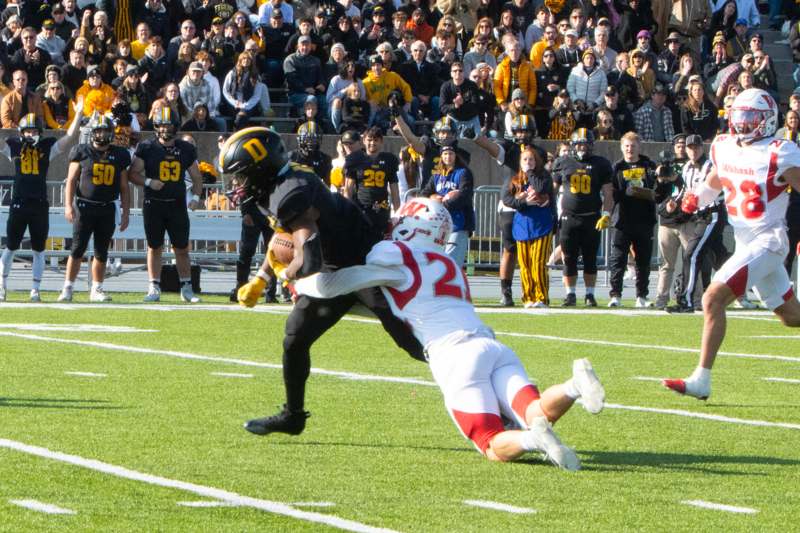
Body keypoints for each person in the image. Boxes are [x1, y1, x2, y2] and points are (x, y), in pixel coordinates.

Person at [293, 197, 606, 468]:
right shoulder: (449, 264)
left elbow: (332, 285)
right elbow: (399, 302)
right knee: (534, 410)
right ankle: (573, 386)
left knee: (490, 441)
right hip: (492, 345)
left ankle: (531, 440)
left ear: (410, 225)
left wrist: (293, 279)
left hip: (454, 356)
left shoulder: (393, 255)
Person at [220, 127, 425, 435]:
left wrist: (284, 275)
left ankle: (491, 400)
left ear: (260, 170)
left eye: (240, 176)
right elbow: (284, 236)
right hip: (335, 267)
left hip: (364, 264)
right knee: (295, 338)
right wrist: (261, 278)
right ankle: (293, 415)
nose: (236, 184)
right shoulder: (277, 185)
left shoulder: (289, 191)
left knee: (414, 342)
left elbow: (308, 257)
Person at [662, 91, 800, 400]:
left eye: (749, 117)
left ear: (766, 120)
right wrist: (696, 198)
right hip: (745, 243)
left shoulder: (780, 151)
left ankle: (702, 379)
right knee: (791, 316)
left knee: (712, 298)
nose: (742, 123)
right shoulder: (724, 146)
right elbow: (715, 182)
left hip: (768, 240)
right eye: (739, 116)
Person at [0, 104, 83, 302]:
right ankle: (2, 286)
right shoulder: (14, 146)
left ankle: (35, 289)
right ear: (21, 132)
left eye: (35, 130)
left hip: (39, 203)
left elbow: (69, 138)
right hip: (19, 202)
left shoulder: (46, 147)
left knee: (39, 249)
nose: (31, 133)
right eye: (28, 130)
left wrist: (78, 114)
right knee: (10, 246)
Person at [127, 107, 203, 303]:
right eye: (161, 125)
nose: (164, 129)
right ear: (156, 126)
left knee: (182, 248)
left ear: (175, 126)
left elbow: (197, 177)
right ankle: (154, 286)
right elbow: (133, 174)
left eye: (168, 125)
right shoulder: (147, 147)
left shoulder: (185, 148)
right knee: (154, 247)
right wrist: (148, 182)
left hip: (177, 204)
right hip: (154, 204)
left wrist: (195, 198)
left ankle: (186, 288)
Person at [56, 115, 131, 303]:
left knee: (101, 251)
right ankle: (68, 287)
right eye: (99, 130)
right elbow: (71, 180)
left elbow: (124, 186)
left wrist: (126, 212)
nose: (102, 134)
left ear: (111, 133)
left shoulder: (119, 155)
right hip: (84, 207)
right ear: (92, 133)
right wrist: (68, 205)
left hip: (107, 208)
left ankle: (97, 289)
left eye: (105, 131)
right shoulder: (82, 151)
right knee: (77, 249)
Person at [551, 129, 614, 307]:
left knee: (590, 258)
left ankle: (590, 294)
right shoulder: (563, 162)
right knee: (569, 257)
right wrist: (550, 212)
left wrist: (606, 214)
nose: (582, 147)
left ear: (592, 146)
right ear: (573, 145)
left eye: (586, 144)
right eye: (579, 143)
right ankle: (570, 294)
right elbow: (553, 190)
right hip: (568, 217)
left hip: (591, 217)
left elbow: (608, 192)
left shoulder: (601, 164)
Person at [666, 135, 725, 313]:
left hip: (712, 214)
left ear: (702, 148)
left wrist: (695, 200)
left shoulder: (710, 167)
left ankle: (686, 300)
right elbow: (685, 190)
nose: (693, 151)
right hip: (699, 216)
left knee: (691, 254)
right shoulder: (686, 168)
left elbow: (716, 191)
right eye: (690, 148)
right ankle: (750, 281)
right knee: (719, 257)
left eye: (696, 147)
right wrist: (675, 202)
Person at [608, 132, 663, 308]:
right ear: (621, 147)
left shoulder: (648, 164)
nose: (630, 149)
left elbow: (658, 189)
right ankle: (615, 295)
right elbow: (612, 193)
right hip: (622, 220)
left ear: (639, 146)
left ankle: (641, 296)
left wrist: (647, 190)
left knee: (643, 261)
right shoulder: (617, 167)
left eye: (633, 145)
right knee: (618, 259)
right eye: (627, 146)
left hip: (644, 219)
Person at [502, 147, 555, 308]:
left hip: (541, 224)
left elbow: (540, 189)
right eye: (525, 160)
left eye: (531, 159)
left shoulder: (543, 176)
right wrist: (523, 202)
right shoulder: (515, 178)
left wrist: (530, 174)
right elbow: (506, 199)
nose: (528, 162)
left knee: (538, 262)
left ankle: (542, 297)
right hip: (522, 225)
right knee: (524, 264)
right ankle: (528, 297)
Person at [419, 144, 474, 267]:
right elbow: (423, 194)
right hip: (439, 225)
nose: (448, 156)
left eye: (450, 153)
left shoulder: (463, 173)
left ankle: (454, 285)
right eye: (445, 154)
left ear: (455, 156)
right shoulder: (437, 176)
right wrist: (433, 198)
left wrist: (443, 204)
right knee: (438, 262)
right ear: (441, 156)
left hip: (458, 224)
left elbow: (464, 195)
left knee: (452, 262)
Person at [342, 127, 400, 234]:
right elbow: (348, 190)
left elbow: (394, 191)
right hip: (362, 209)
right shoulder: (355, 159)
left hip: (381, 210)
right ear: (363, 140)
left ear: (381, 141)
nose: (372, 143)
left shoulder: (389, 160)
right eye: (369, 140)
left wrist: (397, 214)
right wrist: (347, 211)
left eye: (376, 140)